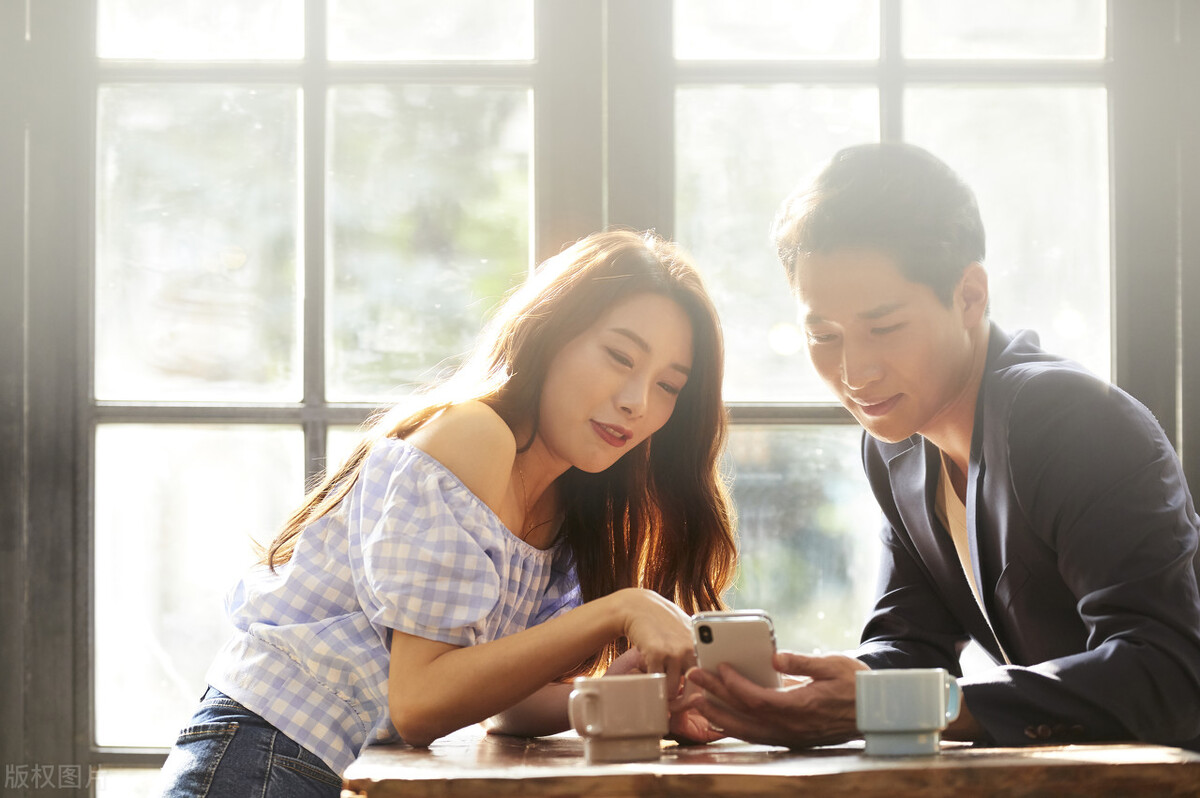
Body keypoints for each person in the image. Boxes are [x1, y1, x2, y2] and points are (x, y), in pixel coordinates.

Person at [158, 229, 738, 797]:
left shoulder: (567, 506)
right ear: (551, 332)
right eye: (619, 356)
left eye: (667, 385)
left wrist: (631, 708)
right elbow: (419, 704)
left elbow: (496, 705)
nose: (636, 401)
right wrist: (622, 609)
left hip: (329, 771)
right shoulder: (475, 435)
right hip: (260, 756)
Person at [682, 142, 1200, 750]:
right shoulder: (896, 447)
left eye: (884, 328)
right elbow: (909, 640)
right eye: (823, 335)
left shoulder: (1066, 419)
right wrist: (807, 690)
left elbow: (1168, 674)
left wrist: (888, 705)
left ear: (970, 296)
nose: (855, 372)